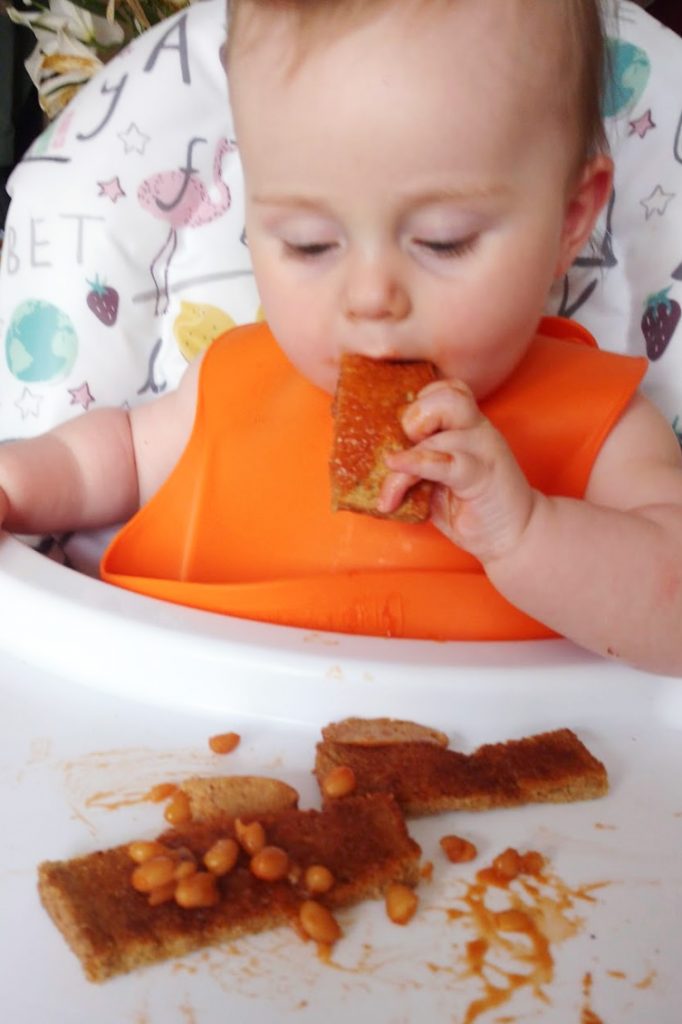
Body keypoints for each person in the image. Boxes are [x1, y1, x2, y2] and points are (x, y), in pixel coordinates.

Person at [1, 0, 682, 674]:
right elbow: (107, 457)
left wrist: (527, 533)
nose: (370, 297)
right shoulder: (229, 386)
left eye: (443, 241)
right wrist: (17, 482)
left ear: (570, 221)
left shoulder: (604, 428)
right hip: (184, 747)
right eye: (310, 243)